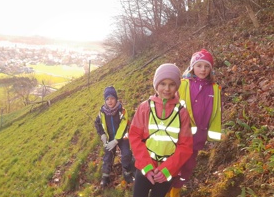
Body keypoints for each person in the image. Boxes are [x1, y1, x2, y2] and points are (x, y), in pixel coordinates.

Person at [129, 63, 193, 197]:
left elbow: (185, 146)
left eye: (172, 84)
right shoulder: (144, 108)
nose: (167, 89)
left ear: (177, 86)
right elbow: (135, 137)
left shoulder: (182, 113)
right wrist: (147, 167)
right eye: (163, 83)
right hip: (145, 168)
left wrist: (167, 170)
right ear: (156, 84)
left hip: (168, 171)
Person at [166, 49, 222, 197]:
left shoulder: (214, 88)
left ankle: (175, 191)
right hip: (179, 137)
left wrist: (213, 135)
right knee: (173, 166)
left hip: (198, 138)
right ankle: (166, 191)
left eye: (206, 66)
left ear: (211, 69)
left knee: (188, 167)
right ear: (192, 67)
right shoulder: (183, 85)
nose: (203, 69)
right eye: (199, 65)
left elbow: (216, 112)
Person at [94, 86, 134, 187]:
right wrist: (102, 134)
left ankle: (127, 171)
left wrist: (116, 140)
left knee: (126, 153)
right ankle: (105, 176)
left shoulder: (122, 111)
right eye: (107, 99)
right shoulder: (102, 112)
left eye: (112, 98)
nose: (110, 101)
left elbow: (123, 126)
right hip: (109, 137)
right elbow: (97, 123)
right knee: (108, 155)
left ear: (116, 99)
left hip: (122, 137)